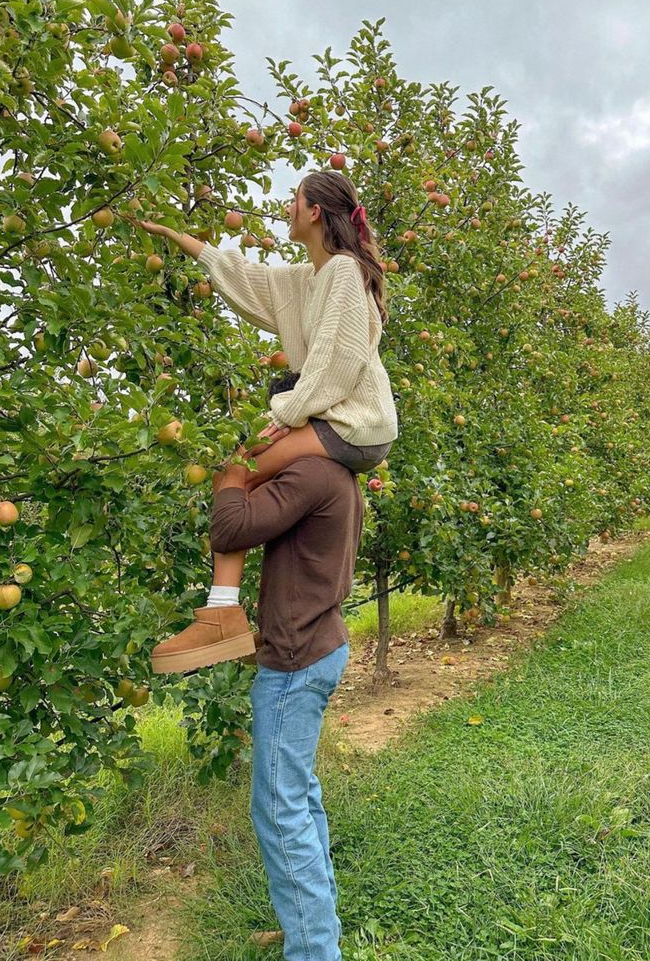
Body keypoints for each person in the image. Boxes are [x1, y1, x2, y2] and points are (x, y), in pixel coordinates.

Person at [126, 169, 398, 674]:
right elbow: (246, 277)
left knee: (237, 470)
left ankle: (222, 615)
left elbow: (338, 360)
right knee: (238, 470)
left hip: (353, 424)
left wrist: (286, 415)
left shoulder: (342, 270)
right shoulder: (306, 278)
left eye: (295, 199)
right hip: (331, 419)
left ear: (314, 211)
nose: (287, 207)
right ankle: (222, 614)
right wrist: (176, 237)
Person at [203, 366, 370, 958]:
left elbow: (229, 526)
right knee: (298, 795)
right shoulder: (337, 474)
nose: (265, 436)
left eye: (268, 426)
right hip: (316, 646)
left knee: (278, 808)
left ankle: (314, 948)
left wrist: (231, 473)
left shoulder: (310, 472)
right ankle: (309, 925)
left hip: (298, 661)